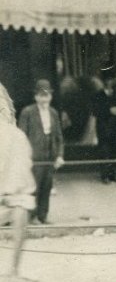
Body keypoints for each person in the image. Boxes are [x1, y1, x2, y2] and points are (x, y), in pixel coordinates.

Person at [17, 80, 65, 224]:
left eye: (47, 95)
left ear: (51, 96)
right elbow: (21, 136)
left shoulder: (54, 113)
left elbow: (59, 137)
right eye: (41, 95)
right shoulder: (27, 112)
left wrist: (60, 155)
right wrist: (24, 157)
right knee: (33, 187)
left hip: (49, 157)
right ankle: (32, 217)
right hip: (34, 158)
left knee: (47, 186)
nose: (45, 98)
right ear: (36, 97)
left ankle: (43, 216)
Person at [0, 82, 36, 274]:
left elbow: (21, 195)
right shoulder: (15, 137)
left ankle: (13, 271)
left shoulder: (15, 138)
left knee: (20, 206)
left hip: (9, 202)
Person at [93, 75, 116, 183]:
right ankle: (105, 175)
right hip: (104, 128)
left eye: (111, 81)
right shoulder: (98, 95)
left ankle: (114, 174)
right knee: (104, 152)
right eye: (108, 81)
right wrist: (109, 110)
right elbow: (95, 111)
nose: (110, 83)